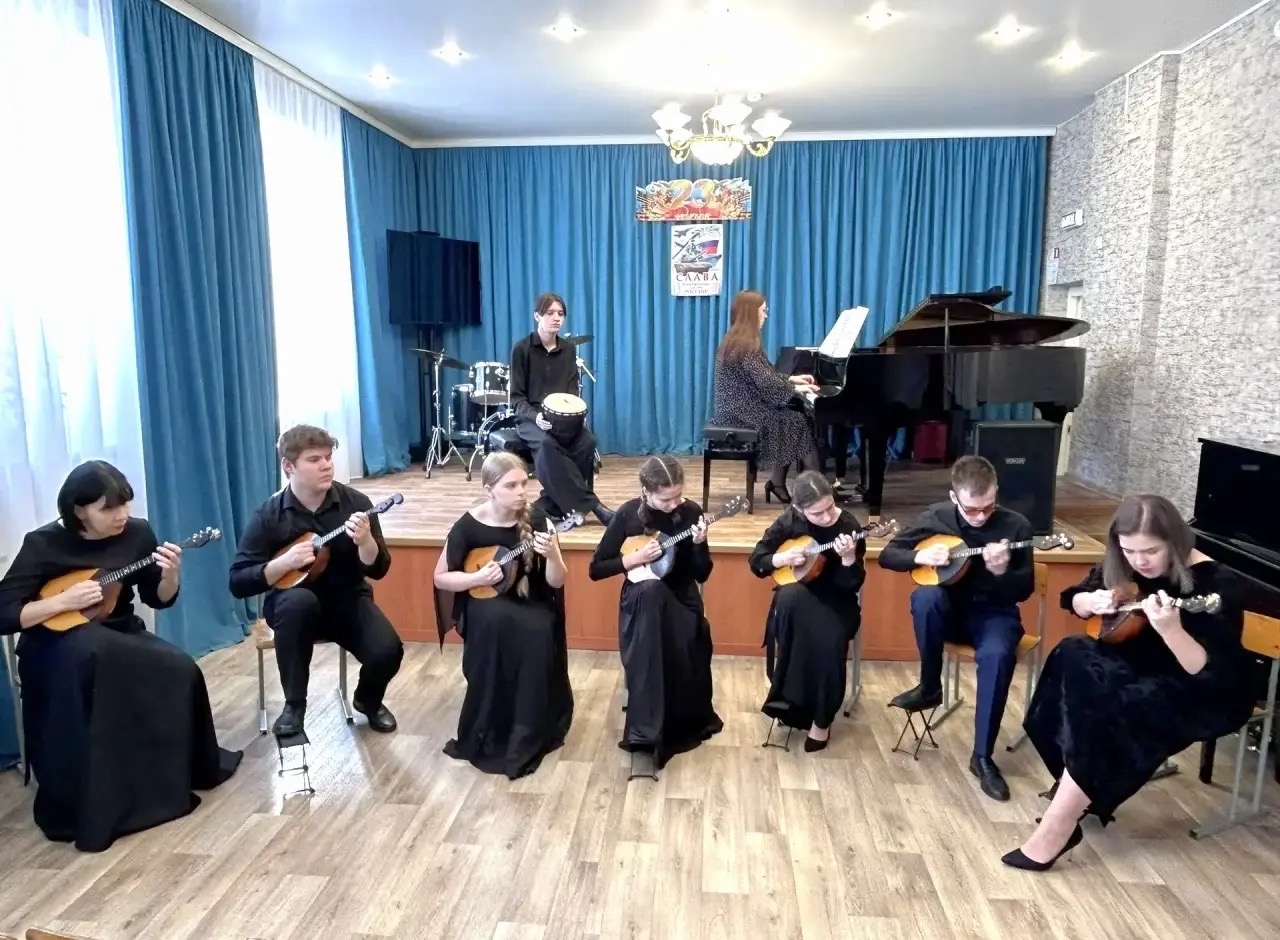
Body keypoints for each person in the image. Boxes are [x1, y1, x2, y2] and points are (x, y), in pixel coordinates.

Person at [1003, 494, 1255, 871]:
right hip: (1136, 662)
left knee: (1117, 703)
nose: (1139, 562)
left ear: (1175, 541)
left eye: (1150, 551)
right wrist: (1091, 601)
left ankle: (1060, 824)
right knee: (1072, 653)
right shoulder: (1123, 563)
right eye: (1129, 551)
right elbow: (1072, 599)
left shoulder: (1217, 583)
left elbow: (1207, 672)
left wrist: (1170, 629)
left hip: (1199, 687)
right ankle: (1081, 779)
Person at [0, 460, 242, 852]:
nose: (121, 515)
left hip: (118, 631)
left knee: (180, 668)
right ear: (79, 510)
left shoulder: (137, 533)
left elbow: (158, 599)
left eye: (125, 504)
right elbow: (4, 612)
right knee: (96, 660)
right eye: (108, 508)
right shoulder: (43, 544)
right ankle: (101, 799)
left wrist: (170, 575)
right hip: (54, 643)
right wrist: (61, 602)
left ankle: (162, 780)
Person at [229, 424, 403, 737]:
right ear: (288, 466)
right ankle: (294, 705)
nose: (326, 465)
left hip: (347, 599)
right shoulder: (269, 515)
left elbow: (379, 570)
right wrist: (283, 563)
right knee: (298, 602)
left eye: (328, 457)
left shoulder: (356, 503)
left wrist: (365, 542)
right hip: (290, 607)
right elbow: (238, 581)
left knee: (388, 651)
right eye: (314, 460)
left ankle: (368, 700)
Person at [878, 455, 1033, 801]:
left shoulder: (1016, 527)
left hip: (994, 614)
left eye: (988, 507)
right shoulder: (936, 517)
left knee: (997, 656)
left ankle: (982, 757)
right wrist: (919, 557)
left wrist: (1001, 571)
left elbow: (1024, 590)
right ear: (953, 497)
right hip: (948, 613)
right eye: (971, 509)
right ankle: (930, 686)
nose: (981, 516)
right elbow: (889, 555)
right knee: (925, 597)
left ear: (996, 493)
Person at [432, 451, 574, 779]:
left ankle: (527, 729)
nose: (521, 491)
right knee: (495, 622)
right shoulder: (468, 526)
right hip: (484, 601)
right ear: (489, 489)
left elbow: (557, 581)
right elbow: (441, 578)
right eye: (511, 485)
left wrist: (553, 556)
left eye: (524, 483)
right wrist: (476, 579)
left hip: (532, 600)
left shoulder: (539, 520)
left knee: (538, 631)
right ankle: (490, 725)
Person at [588, 456, 723, 769]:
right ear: (645, 492)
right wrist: (632, 560)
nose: (674, 504)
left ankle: (675, 725)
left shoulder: (691, 513)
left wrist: (699, 543)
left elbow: (702, 574)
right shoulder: (626, 515)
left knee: (686, 633)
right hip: (642, 602)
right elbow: (596, 569)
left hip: (681, 600)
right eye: (665, 499)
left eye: (678, 495)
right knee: (650, 594)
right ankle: (646, 732)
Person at [749, 471, 867, 751]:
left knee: (827, 640)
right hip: (798, 600)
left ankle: (821, 720)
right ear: (799, 509)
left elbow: (851, 585)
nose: (826, 517)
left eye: (830, 507)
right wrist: (781, 558)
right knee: (789, 597)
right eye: (817, 513)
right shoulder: (790, 521)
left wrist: (849, 558)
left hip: (837, 601)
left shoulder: (848, 525)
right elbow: (757, 561)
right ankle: (790, 703)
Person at [508, 291, 613, 525]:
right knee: (547, 445)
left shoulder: (568, 350)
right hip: (531, 418)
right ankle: (594, 506)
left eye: (561, 313)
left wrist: (571, 416)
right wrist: (536, 417)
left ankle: (549, 504)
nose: (556, 318)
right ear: (537, 316)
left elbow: (571, 393)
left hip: (562, 419)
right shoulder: (521, 349)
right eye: (550, 313)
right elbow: (516, 399)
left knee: (587, 441)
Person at [711, 289, 825, 503]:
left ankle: (779, 482)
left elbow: (765, 376)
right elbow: (765, 382)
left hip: (737, 407)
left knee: (794, 419)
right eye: (763, 310)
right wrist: (797, 389)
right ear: (751, 312)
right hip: (738, 412)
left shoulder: (738, 340)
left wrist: (793, 380)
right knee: (796, 422)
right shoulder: (744, 345)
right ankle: (816, 492)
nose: (766, 315)